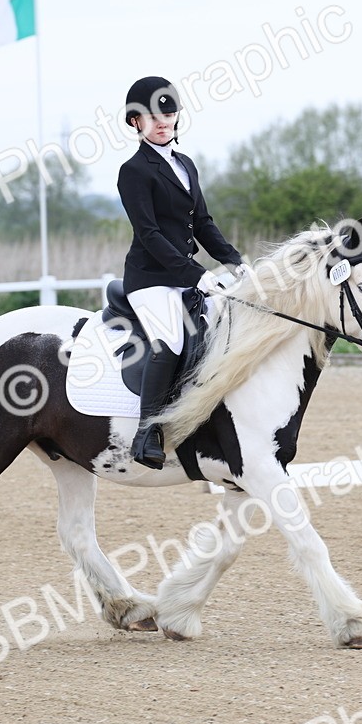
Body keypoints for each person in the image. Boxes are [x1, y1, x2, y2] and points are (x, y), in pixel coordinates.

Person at [117, 75, 247, 469]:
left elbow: (203, 223)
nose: (162, 120)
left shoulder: (186, 164)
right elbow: (150, 234)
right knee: (171, 341)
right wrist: (195, 273)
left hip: (186, 275)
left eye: (168, 112)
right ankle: (146, 433)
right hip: (150, 279)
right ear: (136, 122)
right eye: (151, 115)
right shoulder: (134, 171)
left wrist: (236, 261)